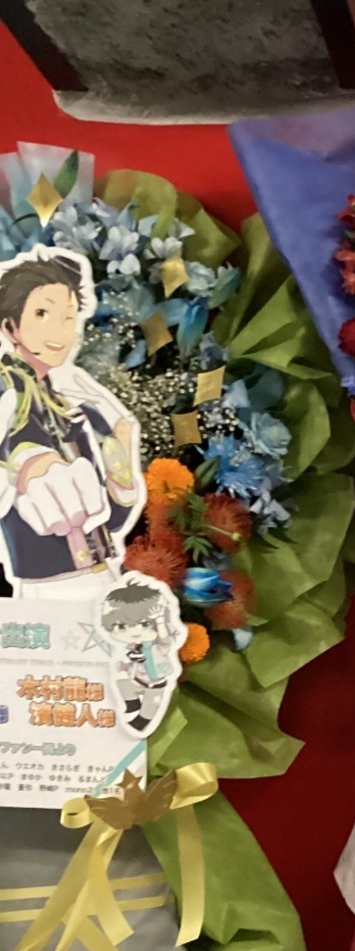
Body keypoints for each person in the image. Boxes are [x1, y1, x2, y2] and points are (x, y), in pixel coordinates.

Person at [0, 247, 141, 598]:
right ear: (10, 326)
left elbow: (113, 520)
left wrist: (121, 472)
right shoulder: (6, 389)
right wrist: (33, 466)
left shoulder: (78, 408)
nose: (59, 331)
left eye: (68, 317)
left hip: (101, 571)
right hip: (46, 583)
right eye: (42, 314)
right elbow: (17, 449)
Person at [100, 577, 183, 736]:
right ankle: (132, 706)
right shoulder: (134, 647)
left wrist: (160, 621)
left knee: (149, 708)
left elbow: (165, 640)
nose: (134, 632)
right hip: (137, 680)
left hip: (156, 684)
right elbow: (136, 662)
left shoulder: (158, 646)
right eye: (121, 626)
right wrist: (125, 666)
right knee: (122, 684)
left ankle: (141, 722)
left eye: (145, 624)